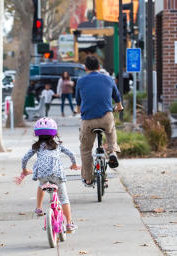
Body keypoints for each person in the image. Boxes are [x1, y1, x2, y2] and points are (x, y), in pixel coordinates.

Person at [15, 117, 80, 232]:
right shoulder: (58, 146)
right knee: (64, 199)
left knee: (41, 185)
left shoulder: (36, 147)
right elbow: (71, 154)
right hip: (57, 175)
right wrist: (74, 164)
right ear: (54, 134)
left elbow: (25, 158)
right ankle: (69, 223)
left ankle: (39, 208)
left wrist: (24, 170)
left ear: (37, 134)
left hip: (43, 175)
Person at [75, 56, 124, 186]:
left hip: (88, 120)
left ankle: (89, 178)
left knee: (85, 149)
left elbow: (78, 103)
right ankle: (112, 151)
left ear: (85, 68)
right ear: (99, 67)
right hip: (105, 118)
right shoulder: (108, 79)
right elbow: (117, 96)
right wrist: (119, 106)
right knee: (111, 128)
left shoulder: (80, 81)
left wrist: (78, 110)